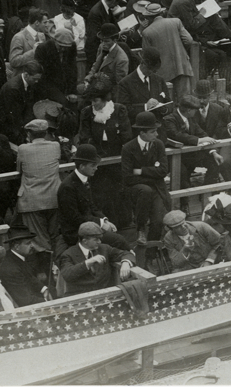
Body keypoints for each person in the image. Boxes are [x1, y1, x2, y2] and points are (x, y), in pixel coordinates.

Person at [57, 144, 130, 251]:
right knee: (119, 241)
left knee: (117, 239)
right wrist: (100, 224)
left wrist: (104, 221)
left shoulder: (84, 179)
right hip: (76, 233)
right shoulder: (68, 187)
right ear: (82, 166)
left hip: (89, 227)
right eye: (93, 165)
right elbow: (74, 218)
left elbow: (92, 206)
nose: (96, 168)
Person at [121, 111, 171, 245]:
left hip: (156, 188)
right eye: (152, 132)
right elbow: (128, 177)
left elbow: (163, 171)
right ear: (142, 133)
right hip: (136, 189)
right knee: (145, 191)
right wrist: (152, 175)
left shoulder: (158, 144)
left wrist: (140, 170)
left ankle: (151, 252)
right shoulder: (128, 148)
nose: (157, 134)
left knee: (158, 221)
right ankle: (140, 228)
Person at [15, 119, 62, 251]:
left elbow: (19, 170)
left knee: (39, 241)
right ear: (46, 132)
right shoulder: (55, 146)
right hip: (54, 198)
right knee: (56, 237)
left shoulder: (23, 149)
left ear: (29, 134)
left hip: (32, 201)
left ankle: (46, 268)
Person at [58, 222, 138, 297]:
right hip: (80, 299)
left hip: (104, 296)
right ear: (84, 241)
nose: (99, 242)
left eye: (100, 238)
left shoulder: (104, 248)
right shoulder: (68, 254)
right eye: (96, 239)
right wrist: (88, 263)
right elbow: (67, 274)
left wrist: (125, 263)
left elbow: (126, 253)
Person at [0, 224, 49, 307]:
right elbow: (25, 300)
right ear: (17, 246)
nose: (32, 246)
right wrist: (46, 301)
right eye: (28, 243)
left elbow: (29, 277)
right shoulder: (11, 269)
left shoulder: (15, 256)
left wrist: (43, 289)